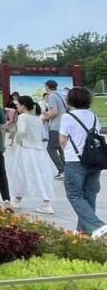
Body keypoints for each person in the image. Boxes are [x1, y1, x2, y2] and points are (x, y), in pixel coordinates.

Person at [59, 86, 107, 238]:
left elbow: (62, 140)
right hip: (94, 160)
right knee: (89, 195)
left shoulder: (67, 117)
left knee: (74, 195)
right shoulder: (93, 116)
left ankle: (98, 226)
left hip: (75, 160)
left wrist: (69, 151)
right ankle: (84, 233)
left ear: (70, 100)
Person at [12, 96, 55, 214]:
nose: (17, 107)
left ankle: (18, 199)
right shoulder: (38, 118)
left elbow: (21, 131)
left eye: (18, 105)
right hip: (39, 150)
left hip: (26, 149)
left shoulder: (23, 117)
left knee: (21, 173)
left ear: (23, 106)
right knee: (41, 175)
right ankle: (45, 201)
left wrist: (18, 140)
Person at [42, 80, 68, 180]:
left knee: (51, 148)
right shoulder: (60, 95)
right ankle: (66, 170)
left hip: (56, 126)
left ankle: (62, 170)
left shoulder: (52, 96)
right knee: (60, 148)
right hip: (63, 126)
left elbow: (54, 112)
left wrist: (45, 118)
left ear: (47, 87)